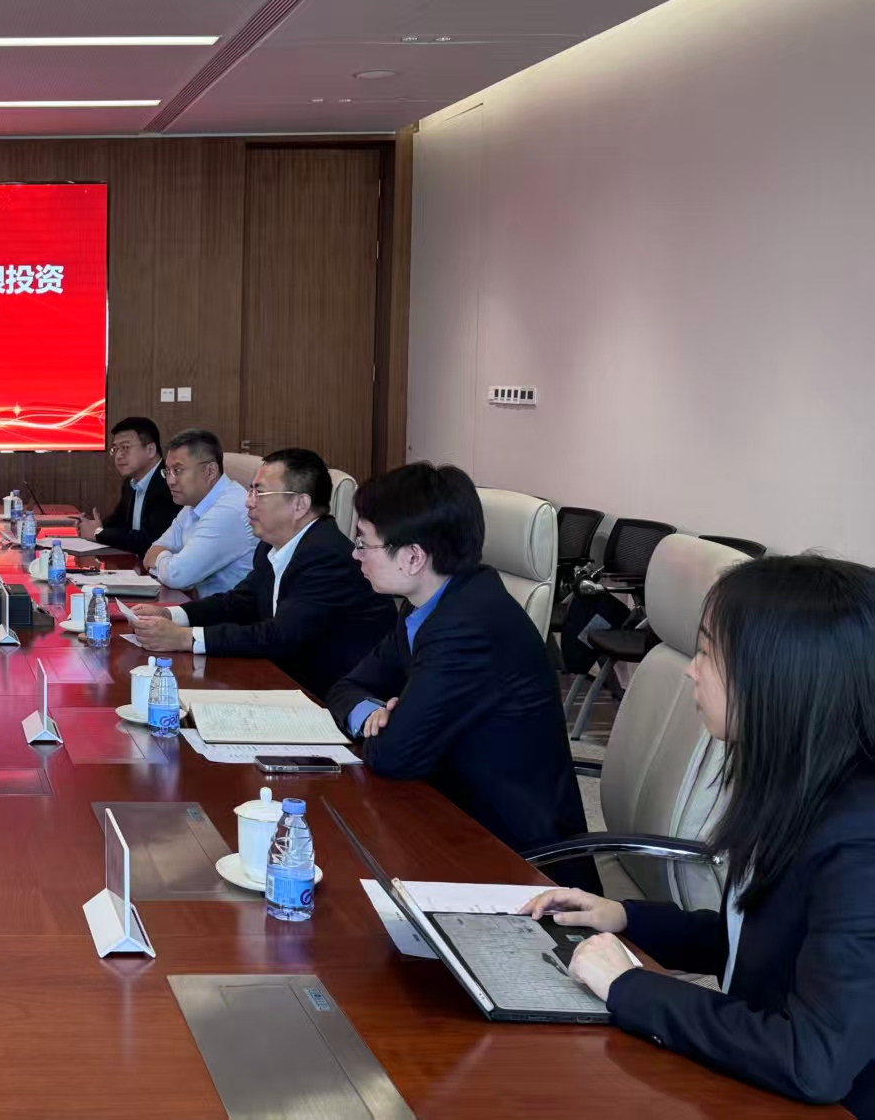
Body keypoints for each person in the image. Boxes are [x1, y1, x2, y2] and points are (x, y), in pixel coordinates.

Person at [522, 555, 875, 1113]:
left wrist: (630, 987)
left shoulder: (860, 843)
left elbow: (814, 1061)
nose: (692, 670)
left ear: (780, 676)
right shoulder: (798, 782)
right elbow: (758, 942)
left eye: (708, 652)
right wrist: (626, 918)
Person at [324, 462, 594, 887]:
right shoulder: (426, 606)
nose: (355, 554)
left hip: (515, 858)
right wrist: (371, 715)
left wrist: (394, 726)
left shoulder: (470, 627)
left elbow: (394, 755)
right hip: (451, 814)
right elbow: (345, 687)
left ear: (413, 557)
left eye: (364, 542)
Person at [128, 448, 395, 698]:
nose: (248, 502)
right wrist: (171, 615)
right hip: (283, 680)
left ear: (300, 504)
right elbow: (239, 602)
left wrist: (186, 638)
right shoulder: (272, 544)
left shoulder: (326, 555)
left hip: (331, 698)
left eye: (259, 492)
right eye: (250, 491)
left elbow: (280, 636)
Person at [142, 428, 256, 598]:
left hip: (231, 612)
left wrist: (165, 563)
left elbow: (178, 576)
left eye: (178, 471)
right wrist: (169, 564)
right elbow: (153, 551)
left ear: (210, 471)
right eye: (167, 471)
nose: (170, 481)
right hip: (202, 605)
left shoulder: (228, 510)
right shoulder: (193, 504)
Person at [75, 416, 181, 557]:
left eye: (125, 447)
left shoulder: (168, 483)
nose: (118, 456)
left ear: (150, 450)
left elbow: (149, 540)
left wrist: (98, 533)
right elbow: (118, 522)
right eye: (115, 449)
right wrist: (90, 525)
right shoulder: (130, 483)